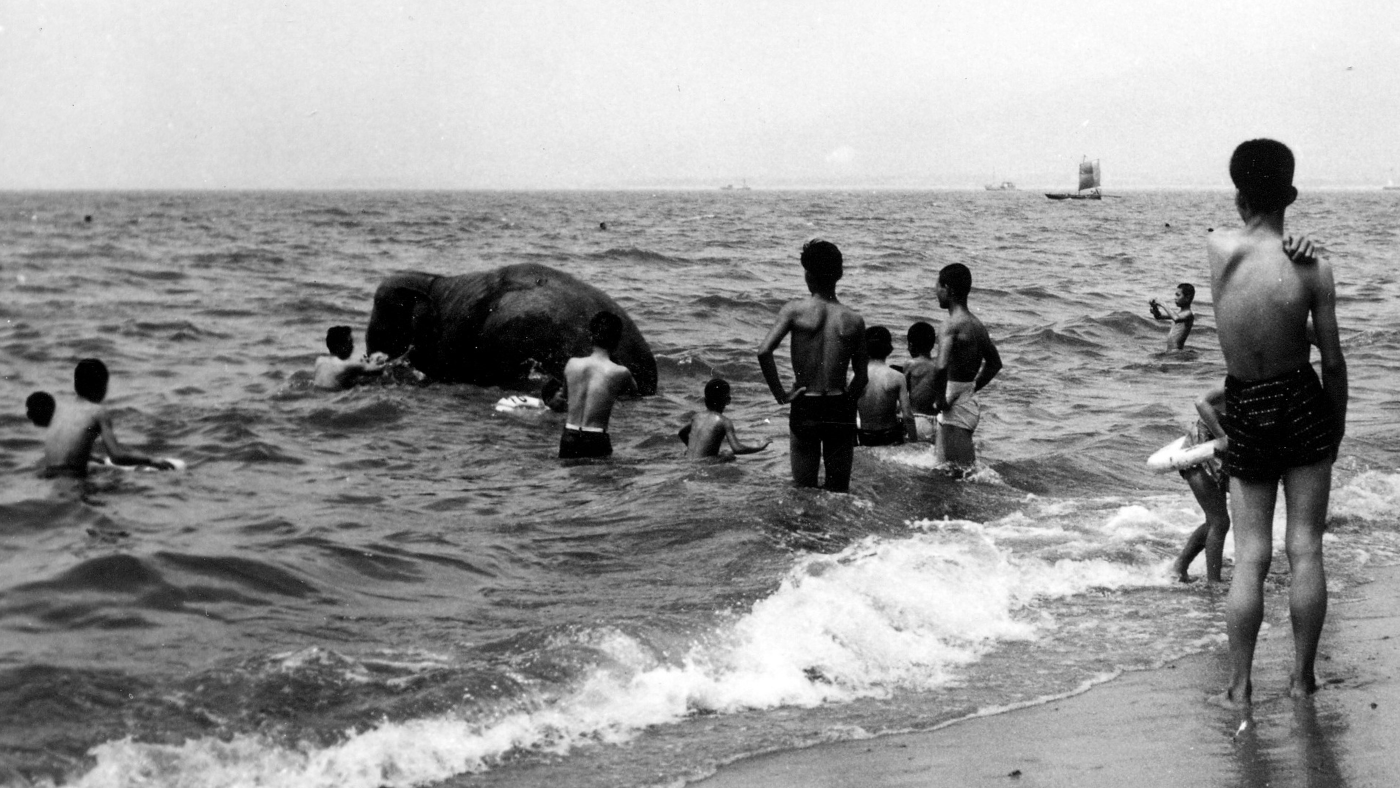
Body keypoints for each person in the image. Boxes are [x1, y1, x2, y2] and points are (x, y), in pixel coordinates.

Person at [1208, 139, 1347, 708]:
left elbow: (1240, 228)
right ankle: (1301, 680)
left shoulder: (1219, 249)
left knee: (1253, 554)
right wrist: (1334, 428)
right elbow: (1332, 360)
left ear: (1239, 194)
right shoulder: (1315, 266)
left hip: (1246, 404)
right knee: (1306, 547)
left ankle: (1240, 688)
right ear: (1292, 194)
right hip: (1302, 399)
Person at [756, 239, 868, 492]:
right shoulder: (854, 319)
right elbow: (862, 377)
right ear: (839, 274)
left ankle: (806, 531)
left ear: (807, 274)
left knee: (803, 490)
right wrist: (846, 403)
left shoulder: (795, 311)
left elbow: (764, 352)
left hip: (807, 402)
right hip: (839, 404)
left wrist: (782, 396)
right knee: (838, 491)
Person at [43, 359, 174, 477]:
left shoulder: (60, 411)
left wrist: (87, 456)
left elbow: (63, 448)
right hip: (73, 480)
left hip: (47, 476)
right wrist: (151, 460)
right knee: (120, 483)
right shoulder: (98, 412)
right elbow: (117, 456)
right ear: (101, 387)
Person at [932, 263, 1003, 469]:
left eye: (938, 287)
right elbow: (995, 363)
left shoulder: (950, 325)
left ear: (948, 289)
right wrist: (971, 388)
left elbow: (940, 366)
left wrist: (939, 400)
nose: (936, 292)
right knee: (949, 472)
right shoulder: (977, 325)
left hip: (954, 406)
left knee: (958, 476)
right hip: (966, 400)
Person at [1171, 386, 1230, 583]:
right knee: (1219, 522)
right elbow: (1201, 401)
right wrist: (1222, 436)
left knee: (1214, 522)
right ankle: (1213, 583)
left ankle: (1180, 566)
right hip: (1197, 451)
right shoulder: (1239, 380)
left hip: (1219, 457)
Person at [560, 311, 637, 459]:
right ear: (617, 340)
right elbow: (634, 394)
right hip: (595, 437)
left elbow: (565, 396)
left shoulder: (572, 364)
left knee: (569, 478)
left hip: (569, 434)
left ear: (590, 336)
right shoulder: (620, 372)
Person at [679, 378, 771, 459]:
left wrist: (695, 450)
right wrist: (760, 446)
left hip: (688, 462)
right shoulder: (724, 421)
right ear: (727, 401)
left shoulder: (697, 417)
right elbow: (737, 448)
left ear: (705, 400)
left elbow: (681, 433)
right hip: (704, 465)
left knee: (722, 454)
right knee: (729, 456)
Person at [857, 326, 916, 446]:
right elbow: (908, 415)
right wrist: (914, 442)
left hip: (864, 435)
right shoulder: (897, 376)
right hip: (890, 435)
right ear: (889, 348)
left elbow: (849, 411)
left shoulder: (855, 376)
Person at [314, 326, 387, 390]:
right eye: (350, 343)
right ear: (340, 346)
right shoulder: (346, 365)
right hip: (335, 398)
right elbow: (377, 369)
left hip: (319, 396)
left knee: (353, 381)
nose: (352, 346)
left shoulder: (320, 360)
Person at [903, 321, 939, 445]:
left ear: (911, 345)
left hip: (918, 420)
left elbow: (902, 393)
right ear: (933, 344)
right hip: (938, 422)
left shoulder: (910, 365)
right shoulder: (939, 365)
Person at [1149, 283, 1197, 351]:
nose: (1175, 298)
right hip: (1171, 351)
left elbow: (1176, 318)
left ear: (1187, 298)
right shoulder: (1180, 314)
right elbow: (1159, 316)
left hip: (1176, 351)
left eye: (1178, 295)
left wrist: (1163, 303)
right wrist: (1155, 308)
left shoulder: (1188, 314)